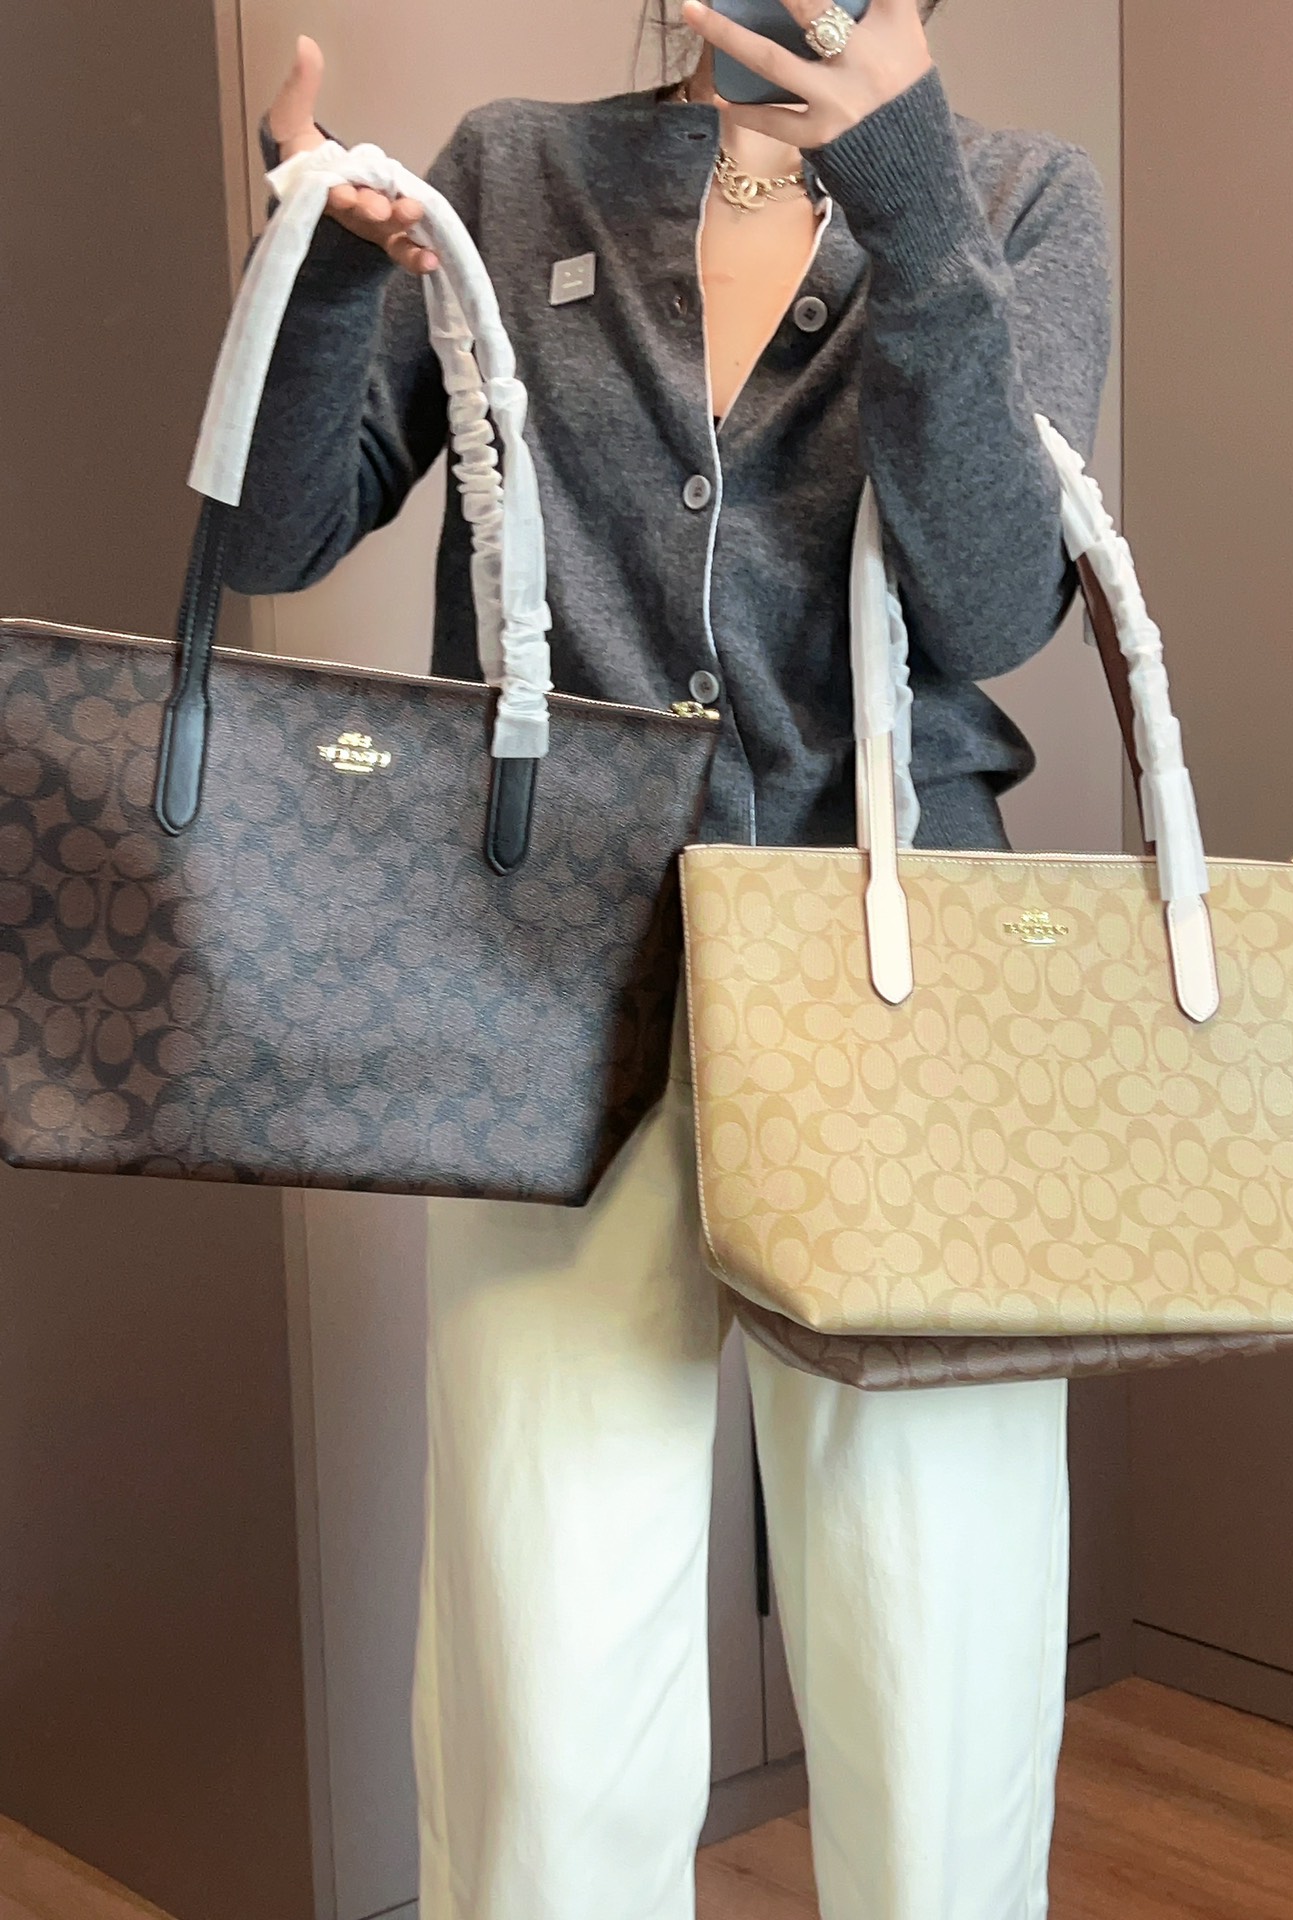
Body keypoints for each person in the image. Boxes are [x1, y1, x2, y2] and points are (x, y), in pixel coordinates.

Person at [232, 3, 1111, 1914]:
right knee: (543, 1681)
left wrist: (905, 186)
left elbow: (989, 599)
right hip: (551, 999)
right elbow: (274, 537)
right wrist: (315, 264)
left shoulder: (1018, 196)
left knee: (936, 1661)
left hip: (905, 1005)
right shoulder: (516, 165)